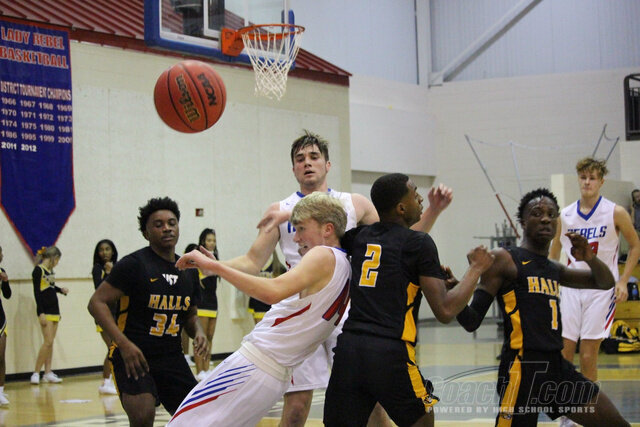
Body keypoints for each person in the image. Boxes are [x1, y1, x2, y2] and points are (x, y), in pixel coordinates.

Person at [223, 130, 452, 427]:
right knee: (296, 406)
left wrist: (432, 210)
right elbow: (253, 261)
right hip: (302, 311)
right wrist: (211, 266)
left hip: (346, 311)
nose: (307, 163)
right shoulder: (279, 210)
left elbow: (401, 238)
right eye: (300, 159)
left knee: (373, 405)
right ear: (293, 168)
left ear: (328, 165)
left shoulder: (354, 203)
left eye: (314, 157)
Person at [323, 173, 493, 427]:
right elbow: (445, 310)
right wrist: (476, 269)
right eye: (415, 194)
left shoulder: (358, 236)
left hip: (349, 350)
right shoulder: (419, 243)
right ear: (401, 208)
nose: (420, 199)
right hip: (391, 353)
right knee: (422, 420)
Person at [168, 192, 351, 426]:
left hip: (254, 365)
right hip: (274, 377)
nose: (296, 238)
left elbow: (272, 291)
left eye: (301, 229)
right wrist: (216, 266)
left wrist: (215, 267)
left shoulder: (322, 255)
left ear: (328, 229)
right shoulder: (345, 263)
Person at [455, 188, 629, 426]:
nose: (546, 218)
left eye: (551, 214)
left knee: (615, 423)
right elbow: (471, 320)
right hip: (521, 368)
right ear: (523, 222)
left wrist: (589, 257)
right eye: (537, 213)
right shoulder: (504, 259)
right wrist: (454, 294)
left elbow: (605, 282)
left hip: (556, 368)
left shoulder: (553, 268)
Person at [87, 197, 207, 427]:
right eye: (158, 224)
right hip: (134, 355)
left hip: (171, 356)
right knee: (143, 415)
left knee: (198, 417)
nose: (167, 228)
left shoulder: (189, 270)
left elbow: (190, 314)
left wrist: (199, 332)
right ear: (146, 233)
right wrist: (123, 344)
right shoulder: (134, 264)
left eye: (172, 223)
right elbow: (96, 303)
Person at [549, 158, 640, 385]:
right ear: (578, 179)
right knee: (564, 353)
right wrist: (549, 284)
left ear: (601, 182)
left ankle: (588, 404)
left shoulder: (615, 212)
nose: (587, 182)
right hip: (571, 288)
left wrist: (623, 281)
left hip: (601, 288)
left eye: (592, 178)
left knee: (588, 355)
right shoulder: (565, 215)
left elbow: (635, 246)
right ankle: (566, 405)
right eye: (583, 177)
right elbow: (554, 252)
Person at [31, 246, 68, 385]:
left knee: (50, 342)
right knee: (47, 342)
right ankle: (36, 372)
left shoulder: (50, 271)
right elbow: (37, 292)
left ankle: (47, 372)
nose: (57, 263)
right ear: (54, 258)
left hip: (54, 309)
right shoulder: (38, 270)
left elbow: (50, 286)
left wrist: (60, 290)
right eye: (58, 260)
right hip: (45, 311)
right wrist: (40, 312)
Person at [91, 239, 119, 395]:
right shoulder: (97, 269)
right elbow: (99, 289)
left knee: (115, 348)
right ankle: (106, 382)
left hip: (116, 313)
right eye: (101, 250)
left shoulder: (118, 266)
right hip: (103, 315)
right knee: (111, 348)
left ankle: (112, 380)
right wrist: (108, 273)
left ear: (113, 251)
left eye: (107, 249)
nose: (104, 252)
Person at [193, 228, 220, 381]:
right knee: (200, 339)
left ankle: (206, 368)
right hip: (201, 303)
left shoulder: (215, 259)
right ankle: (199, 371)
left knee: (209, 337)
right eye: (209, 240)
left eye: (214, 240)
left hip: (213, 303)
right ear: (203, 241)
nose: (212, 243)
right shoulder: (199, 259)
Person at [248, 250, 286, 324]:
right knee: (260, 328)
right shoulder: (253, 268)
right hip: (257, 304)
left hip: (275, 306)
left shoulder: (279, 268)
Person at [0, 246, 12, 405]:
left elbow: (7, 295)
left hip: (0, 316)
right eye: (1, 253)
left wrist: (6, 281)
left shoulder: (1, 271)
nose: (2, 255)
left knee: (1, 356)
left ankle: (0, 391)